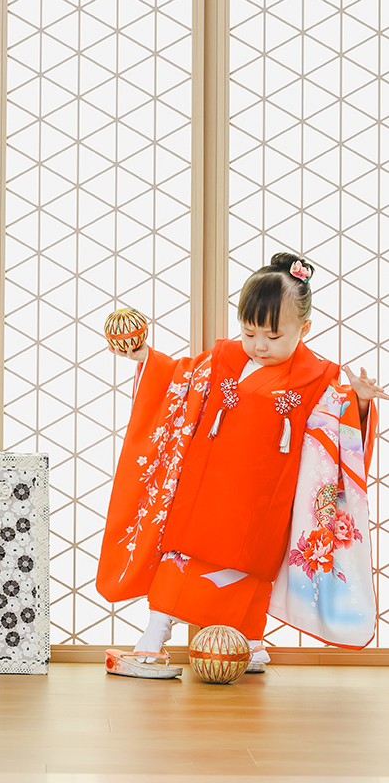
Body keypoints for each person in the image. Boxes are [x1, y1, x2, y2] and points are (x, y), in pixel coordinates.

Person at [96, 253, 386, 677]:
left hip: (263, 500)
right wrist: (145, 357)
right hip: (203, 488)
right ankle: (154, 639)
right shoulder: (223, 359)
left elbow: (336, 436)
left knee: (250, 570)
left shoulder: (317, 378)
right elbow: (177, 379)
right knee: (183, 558)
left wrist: (357, 402)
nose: (259, 346)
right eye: (249, 332)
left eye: (273, 335)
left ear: (304, 329)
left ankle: (247, 643)